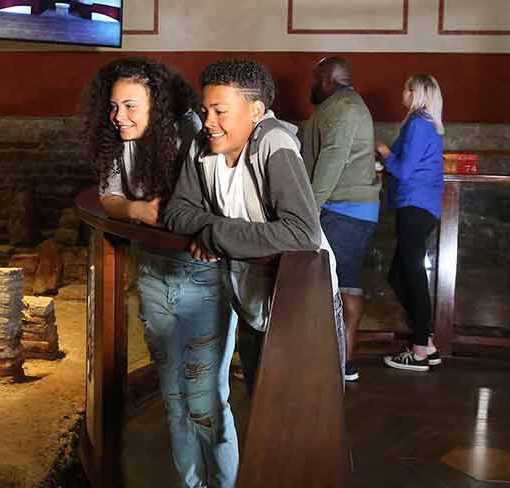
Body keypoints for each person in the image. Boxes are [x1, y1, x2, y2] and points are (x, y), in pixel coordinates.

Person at [84, 57, 238, 488]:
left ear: (159, 104)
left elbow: (224, 202)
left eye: (131, 106)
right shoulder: (122, 139)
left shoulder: (193, 133)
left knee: (206, 402)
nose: (119, 117)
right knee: (173, 400)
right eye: (114, 107)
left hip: (203, 277)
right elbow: (109, 197)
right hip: (152, 275)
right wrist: (136, 209)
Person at [161, 59, 345, 396]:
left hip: (304, 302)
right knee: (263, 414)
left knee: (311, 421)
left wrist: (216, 235)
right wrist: (215, 228)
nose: (208, 123)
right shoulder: (202, 145)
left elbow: (303, 233)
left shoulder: (276, 143)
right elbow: (176, 211)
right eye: (205, 111)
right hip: (249, 299)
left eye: (220, 112)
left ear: (256, 110)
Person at [299, 57, 381, 382]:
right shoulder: (341, 105)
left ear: (329, 80)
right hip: (346, 210)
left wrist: (309, 209)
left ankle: (338, 366)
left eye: (315, 78)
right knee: (345, 286)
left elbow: (333, 158)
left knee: (334, 288)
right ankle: (341, 364)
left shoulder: (344, 107)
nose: (311, 84)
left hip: (345, 211)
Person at [377, 74, 445, 372]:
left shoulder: (418, 123)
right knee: (400, 274)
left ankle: (419, 346)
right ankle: (426, 342)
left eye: (406, 87)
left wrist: (383, 151)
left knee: (412, 273)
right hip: (420, 206)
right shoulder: (426, 125)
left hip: (414, 205)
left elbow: (404, 170)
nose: (402, 91)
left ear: (416, 93)